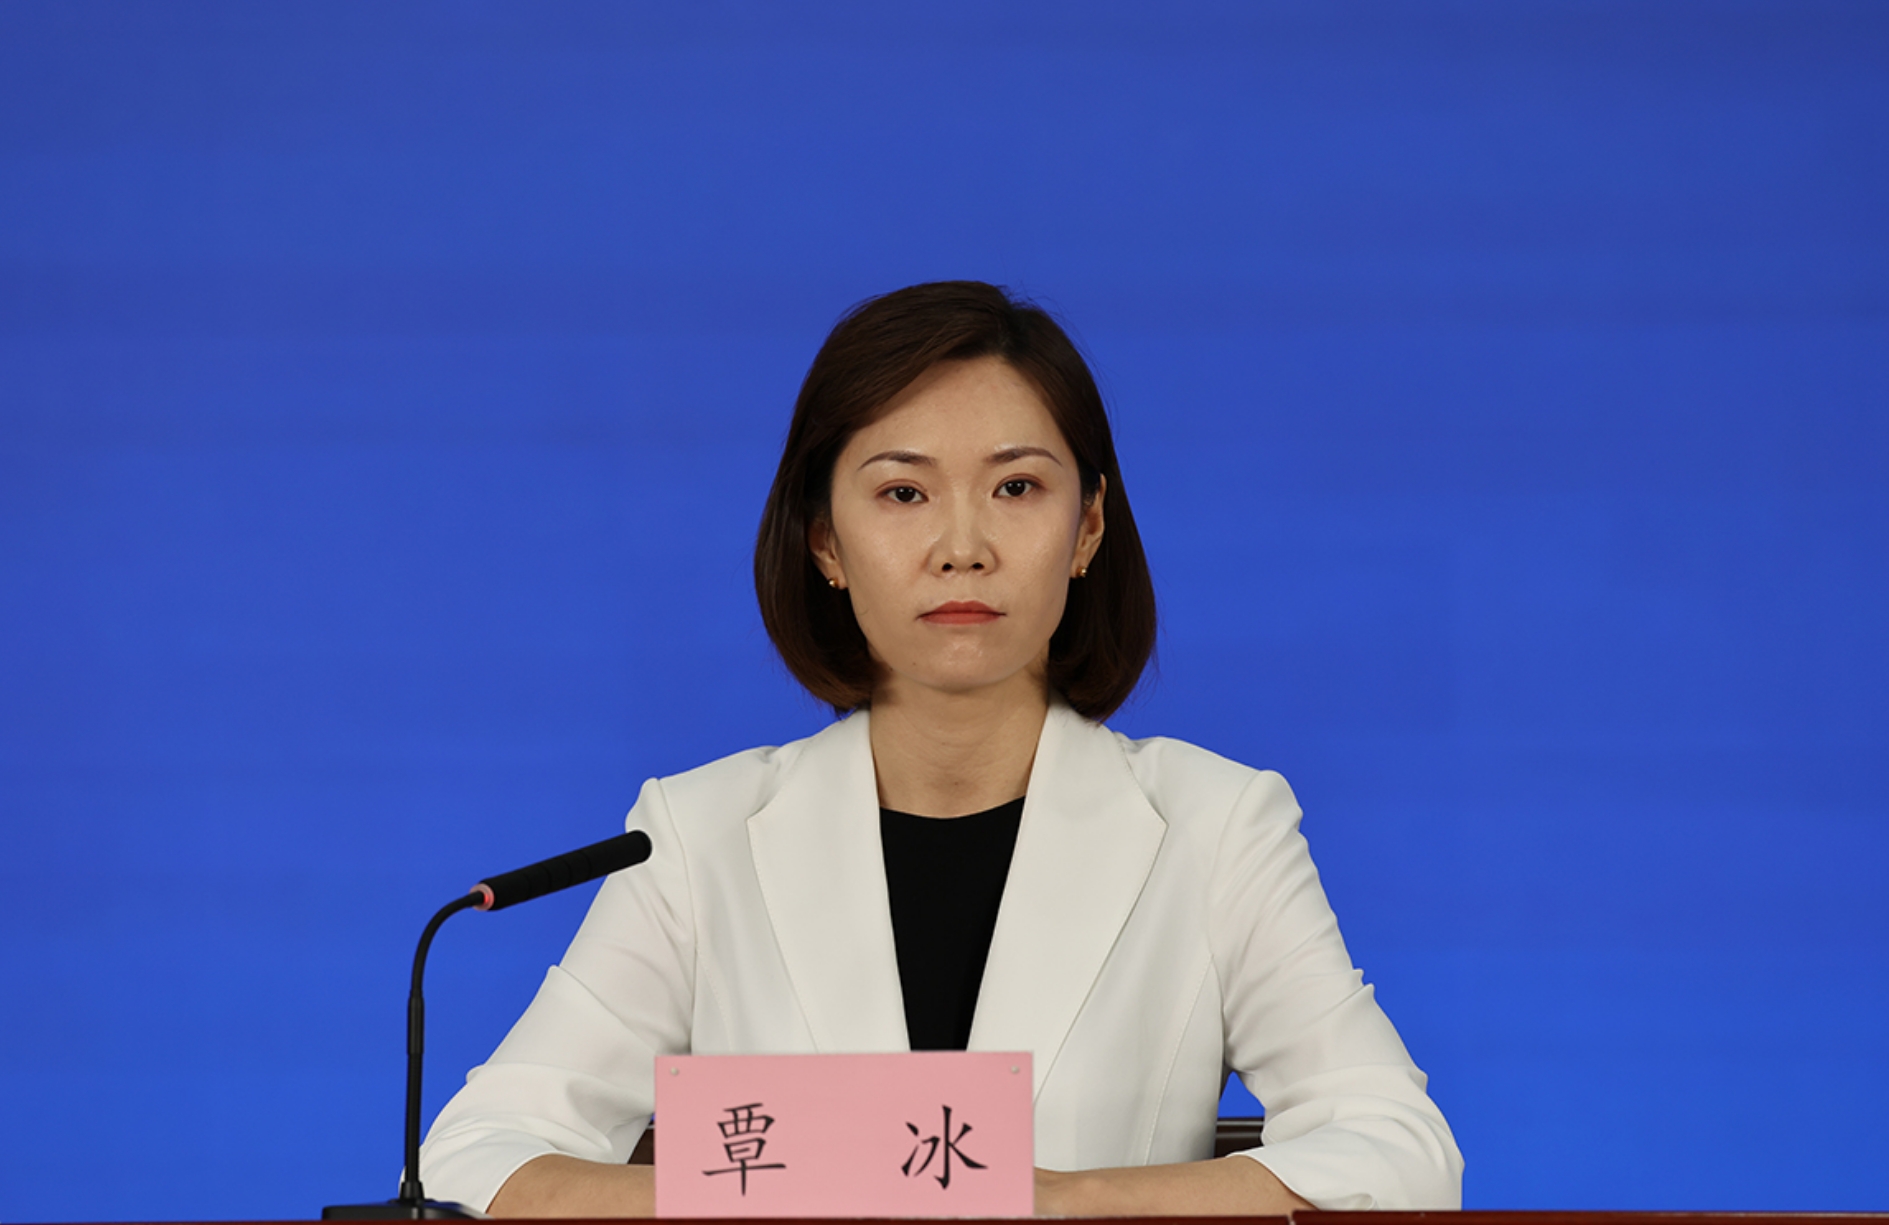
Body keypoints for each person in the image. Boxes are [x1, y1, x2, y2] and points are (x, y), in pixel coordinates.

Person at [418, 281, 1463, 1216]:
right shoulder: (697, 838)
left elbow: (1400, 1152)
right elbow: (476, 1152)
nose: (961, 545)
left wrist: (1064, 1202)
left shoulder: (1216, 826)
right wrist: (777, 1203)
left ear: (1088, 528)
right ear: (825, 541)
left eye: (1016, 488)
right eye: (902, 493)